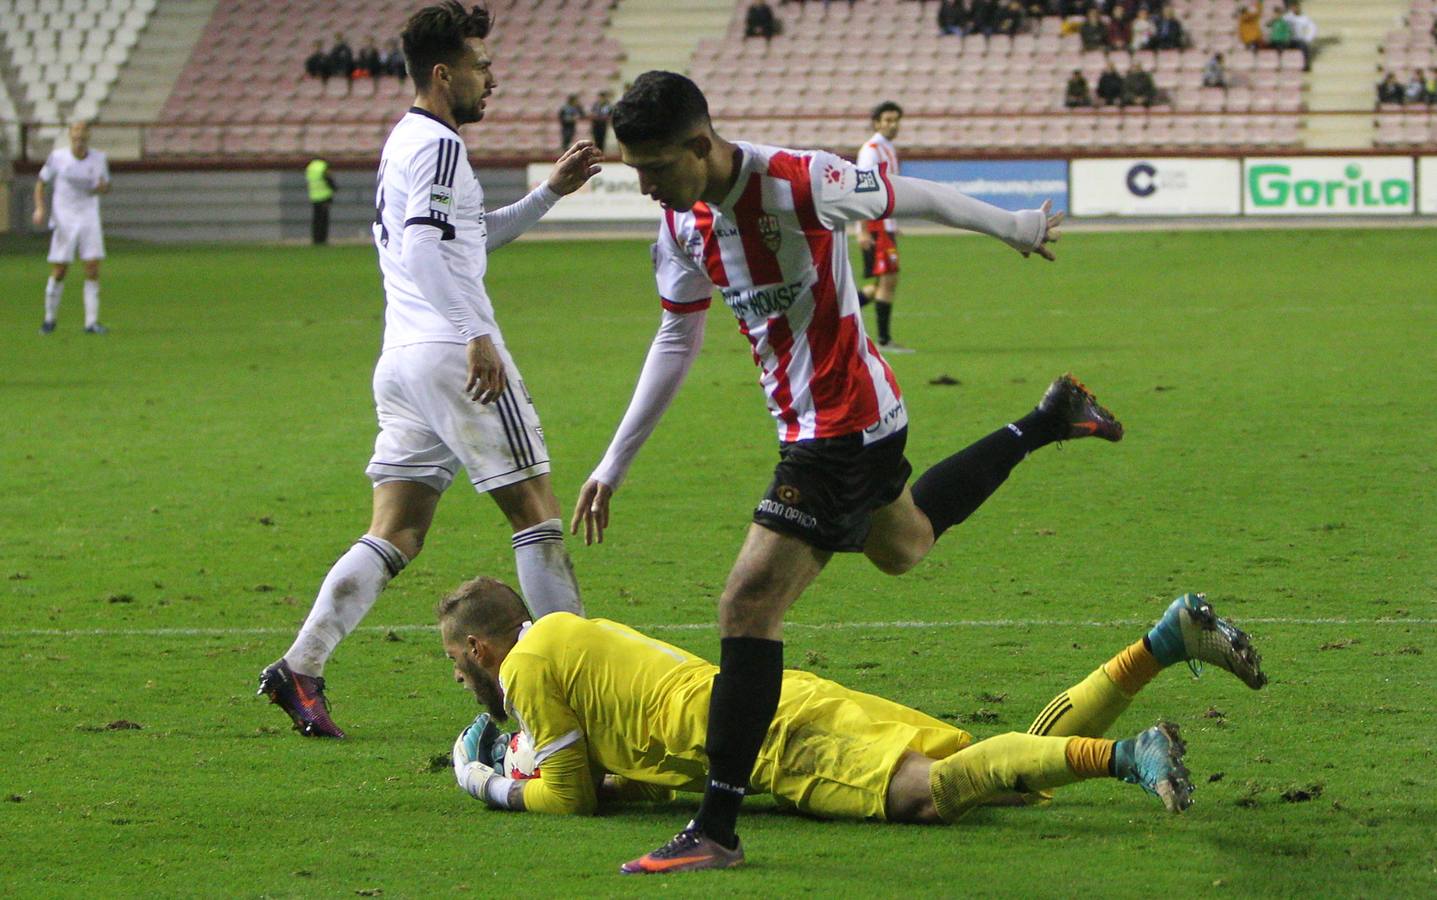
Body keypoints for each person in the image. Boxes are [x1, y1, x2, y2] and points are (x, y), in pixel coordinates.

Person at [569, 70, 1121, 875]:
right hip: (846, 424)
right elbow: (676, 337)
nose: (645, 185)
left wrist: (1011, 224)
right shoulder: (682, 225)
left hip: (840, 428)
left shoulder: (797, 180)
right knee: (905, 544)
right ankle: (1047, 420)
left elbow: (909, 195)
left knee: (746, 605)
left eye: (655, 167)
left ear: (699, 144)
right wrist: (613, 462)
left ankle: (716, 827)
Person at [257, 1, 602, 739]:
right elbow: (422, 247)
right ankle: (575, 692)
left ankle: (301, 666)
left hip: (403, 359)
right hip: (452, 353)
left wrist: (548, 194)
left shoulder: (405, 142)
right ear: (444, 74)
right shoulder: (441, 146)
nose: (492, 80)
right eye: (482, 67)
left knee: (398, 529)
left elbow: (463, 239)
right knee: (536, 512)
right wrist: (475, 333)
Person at [442, 578, 1267, 844]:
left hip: (767, 739)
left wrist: (487, 781)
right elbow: (628, 774)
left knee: (930, 794)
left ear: (481, 648)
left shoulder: (524, 670)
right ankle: (1160, 643)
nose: (460, 677)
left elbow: (569, 798)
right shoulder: (563, 632)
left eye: (456, 661)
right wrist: (598, 778)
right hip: (776, 700)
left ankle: (1126, 756)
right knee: (993, 776)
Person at [33, 122, 110, 335]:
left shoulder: (99, 158)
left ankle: (91, 322)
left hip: (89, 216)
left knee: (92, 268)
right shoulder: (58, 157)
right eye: (75, 130)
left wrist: (102, 187)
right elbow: (40, 183)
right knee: (60, 270)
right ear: (70, 135)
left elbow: (105, 185)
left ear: (88, 135)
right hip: (64, 218)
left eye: (83, 131)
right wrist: (40, 208)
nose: (79, 135)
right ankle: (49, 319)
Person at [855, 100, 907, 351]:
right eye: (887, 120)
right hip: (875, 225)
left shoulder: (888, 148)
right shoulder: (872, 149)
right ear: (876, 123)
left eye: (895, 120)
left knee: (881, 284)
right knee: (888, 280)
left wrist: (893, 222)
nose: (892, 125)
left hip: (884, 224)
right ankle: (884, 341)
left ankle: (833, 314)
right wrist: (863, 229)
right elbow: (862, 187)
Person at [305, 157, 335, 245]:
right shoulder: (323, 166)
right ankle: (322, 239)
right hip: (324, 195)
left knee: (316, 219)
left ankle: (316, 239)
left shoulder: (310, 167)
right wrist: (334, 188)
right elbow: (328, 179)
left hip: (314, 195)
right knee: (323, 220)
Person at [1283, 2, 1316, 71]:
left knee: (1304, 46)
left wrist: (1307, 39)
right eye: (1293, 7)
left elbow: (1312, 28)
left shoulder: (1304, 18)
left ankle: (1306, 65)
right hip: (1287, 39)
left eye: (1296, 7)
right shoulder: (1286, 17)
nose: (1295, 9)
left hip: (1298, 40)